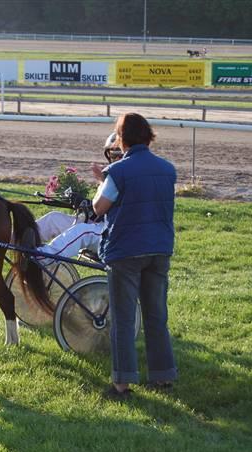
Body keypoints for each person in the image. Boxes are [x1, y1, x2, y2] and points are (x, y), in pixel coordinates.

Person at [92, 113, 177, 401]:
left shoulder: (118, 171)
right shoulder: (168, 169)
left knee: (124, 320)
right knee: (156, 316)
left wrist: (101, 182)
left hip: (126, 251)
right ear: (147, 136)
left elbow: (100, 206)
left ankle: (122, 384)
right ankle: (163, 375)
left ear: (122, 138)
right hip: (160, 248)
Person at [35, 133, 123, 259]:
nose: (115, 159)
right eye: (112, 155)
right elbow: (102, 209)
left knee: (82, 231)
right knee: (53, 219)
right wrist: (82, 202)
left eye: (118, 155)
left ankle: (41, 258)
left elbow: (106, 210)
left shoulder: (123, 176)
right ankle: (11, 241)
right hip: (101, 225)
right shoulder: (112, 175)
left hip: (115, 235)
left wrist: (101, 185)